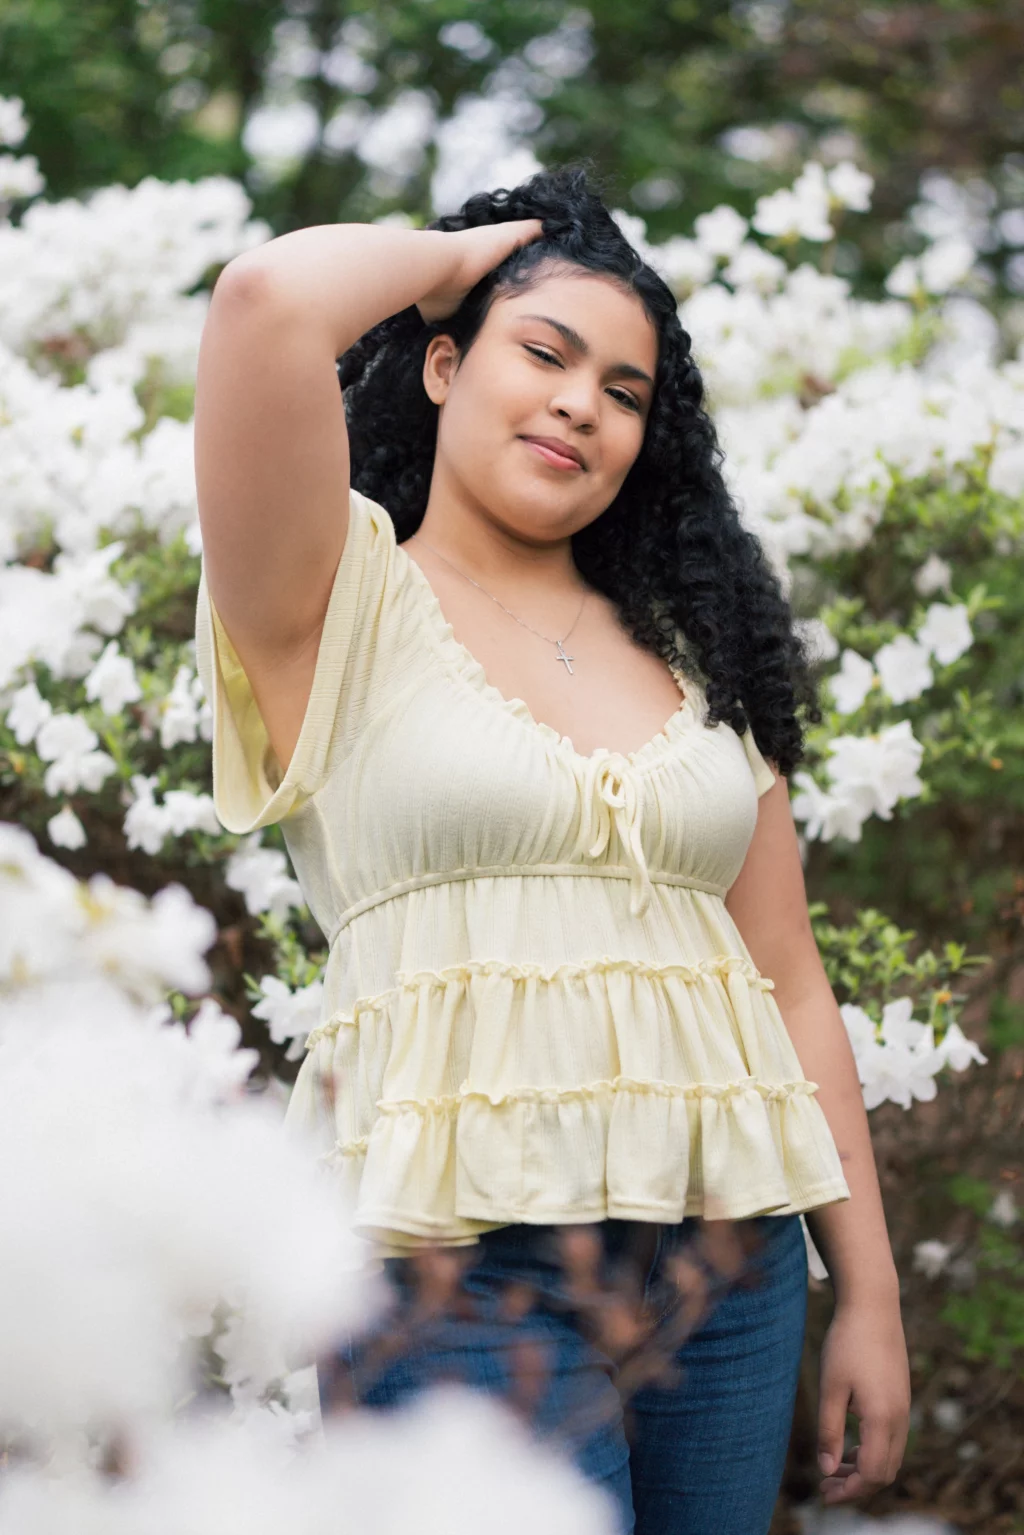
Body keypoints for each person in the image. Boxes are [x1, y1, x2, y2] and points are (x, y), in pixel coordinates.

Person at [193, 164, 910, 1534]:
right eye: (547, 351)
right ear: (443, 363)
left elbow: (789, 979)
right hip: (455, 1273)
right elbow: (267, 300)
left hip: (729, 1265)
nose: (586, 400)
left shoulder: (696, 658)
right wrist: (478, 250)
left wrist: (866, 1292)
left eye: (627, 391)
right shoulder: (331, 599)